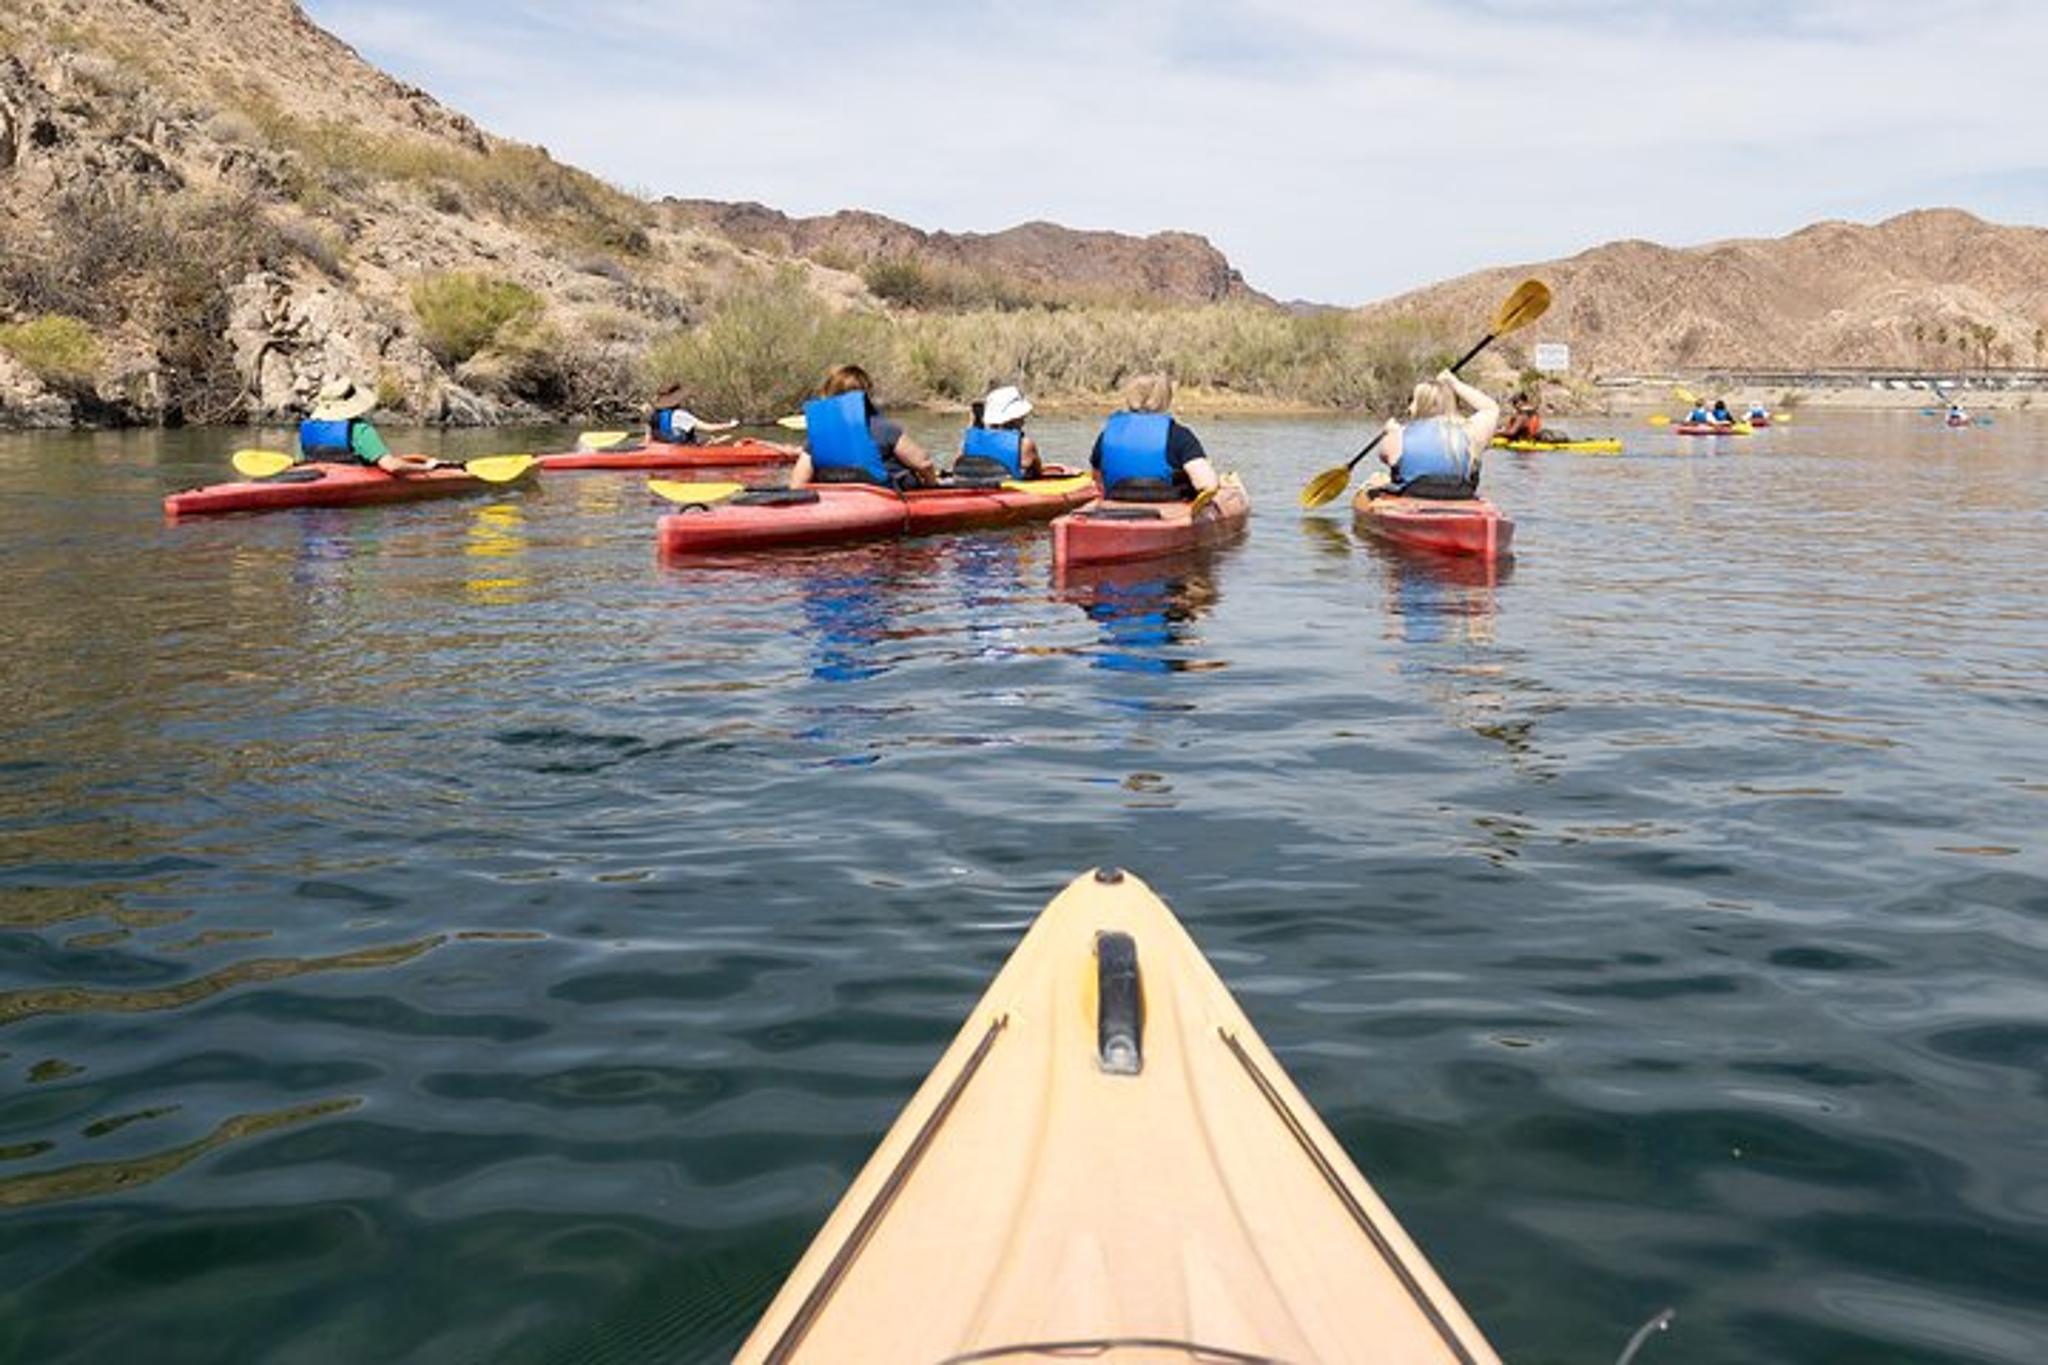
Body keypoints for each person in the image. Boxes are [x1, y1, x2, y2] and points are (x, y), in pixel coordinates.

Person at [789, 364, 938, 490]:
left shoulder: (819, 436)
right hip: (886, 498)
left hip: (837, 500)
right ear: (867, 395)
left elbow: (797, 484)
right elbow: (924, 464)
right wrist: (933, 488)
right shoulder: (885, 429)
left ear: (829, 395)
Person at [1088, 373, 1217, 501]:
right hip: (1168, 507)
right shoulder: (1179, 435)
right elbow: (1206, 484)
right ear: (1166, 398)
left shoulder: (1108, 433)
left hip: (1114, 505)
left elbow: (1097, 477)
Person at [1374, 368, 1498, 498]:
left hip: (1413, 495)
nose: (1409, 407)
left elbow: (1384, 456)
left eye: (1412, 400)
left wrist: (1390, 432)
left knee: (1377, 479)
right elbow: (1491, 408)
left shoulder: (1398, 435)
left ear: (1421, 404)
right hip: (1460, 496)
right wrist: (1454, 383)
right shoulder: (1470, 432)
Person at [296, 377, 436, 475]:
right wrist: (426, 468)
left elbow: (299, 464)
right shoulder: (359, 429)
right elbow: (391, 466)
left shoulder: (307, 428)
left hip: (319, 480)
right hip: (352, 486)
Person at [956, 384, 1044, 479]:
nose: (1024, 420)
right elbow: (1038, 474)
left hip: (977, 489)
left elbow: (957, 469)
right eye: (1022, 416)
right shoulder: (1025, 445)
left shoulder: (967, 444)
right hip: (1011, 491)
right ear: (1016, 417)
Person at [647, 384, 740, 446]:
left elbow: (648, 439)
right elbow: (709, 428)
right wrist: (730, 425)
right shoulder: (681, 415)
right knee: (728, 437)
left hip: (660, 448)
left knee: (714, 438)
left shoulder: (653, 415)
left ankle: (713, 441)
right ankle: (713, 442)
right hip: (681, 450)